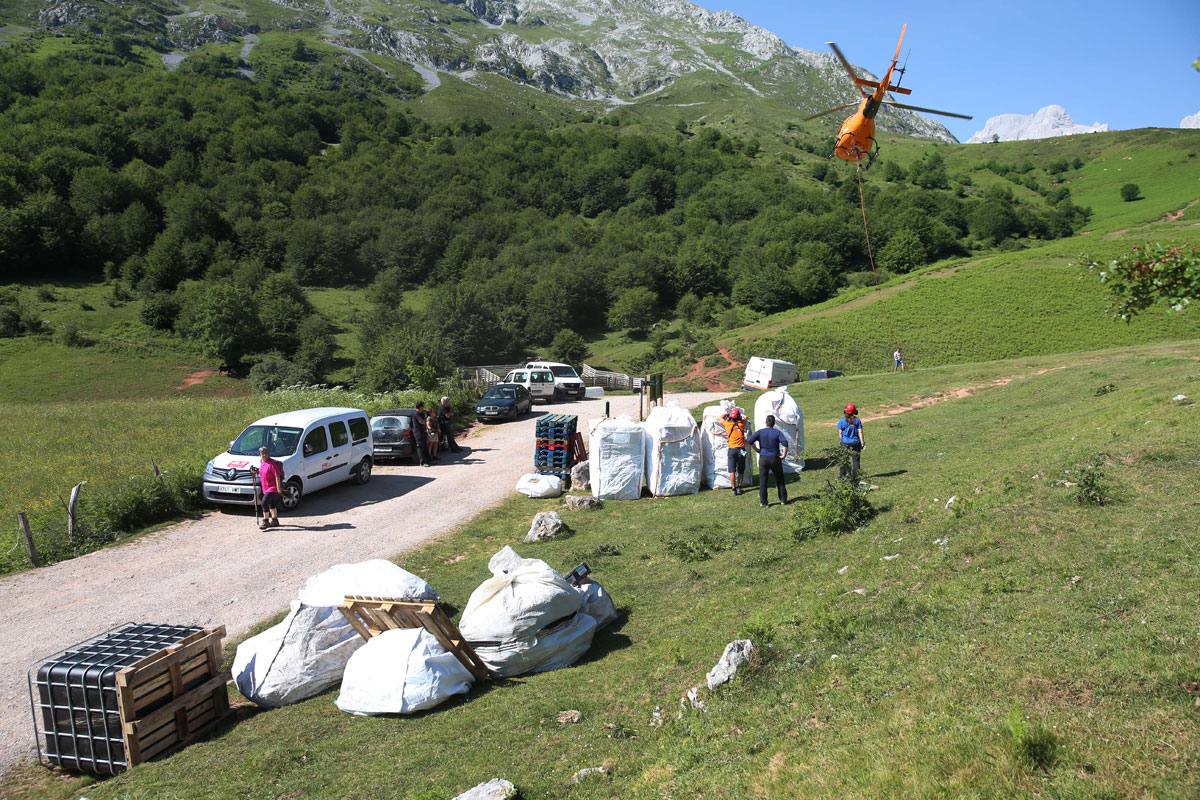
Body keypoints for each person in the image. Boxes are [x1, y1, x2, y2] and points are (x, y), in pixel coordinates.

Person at [746, 414, 789, 508]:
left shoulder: (760, 432)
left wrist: (757, 449)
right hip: (775, 458)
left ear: (766, 422)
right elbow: (785, 443)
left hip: (763, 459)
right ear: (774, 423)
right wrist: (784, 455)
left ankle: (764, 502)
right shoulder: (777, 432)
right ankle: (783, 499)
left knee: (763, 480)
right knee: (780, 479)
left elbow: (749, 441)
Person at [720, 407, 750, 496]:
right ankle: (739, 487)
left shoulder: (728, 424)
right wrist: (740, 418)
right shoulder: (742, 423)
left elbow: (719, 418)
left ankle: (733, 489)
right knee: (740, 470)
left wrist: (727, 414)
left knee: (732, 471)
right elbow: (746, 417)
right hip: (741, 450)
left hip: (732, 450)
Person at [837, 403, 865, 482]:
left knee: (844, 460)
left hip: (845, 443)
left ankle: (842, 476)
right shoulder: (857, 420)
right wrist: (862, 442)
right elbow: (860, 432)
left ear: (845, 412)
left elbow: (840, 433)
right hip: (855, 443)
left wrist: (840, 441)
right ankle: (855, 477)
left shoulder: (841, 421)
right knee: (855, 461)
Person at [257, 446, 283, 529]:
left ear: (268, 454)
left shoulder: (272, 464)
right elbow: (261, 472)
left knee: (264, 502)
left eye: (265, 453)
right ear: (260, 454)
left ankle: (266, 521)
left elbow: (277, 476)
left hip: (272, 488)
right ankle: (275, 520)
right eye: (262, 454)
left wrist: (278, 488)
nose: (264, 455)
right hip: (265, 487)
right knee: (271, 504)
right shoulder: (262, 462)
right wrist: (255, 471)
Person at [413, 401, 432, 466]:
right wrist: (427, 419)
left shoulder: (421, 413)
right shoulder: (416, 414)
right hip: (418, 432)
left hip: (423, 431)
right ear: (420, 407)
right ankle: (422, 462)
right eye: (422, 406)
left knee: (425, 446)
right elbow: (421, 422)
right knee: (421, 447)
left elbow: (424, 422)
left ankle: (428, 461)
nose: (423, 408)